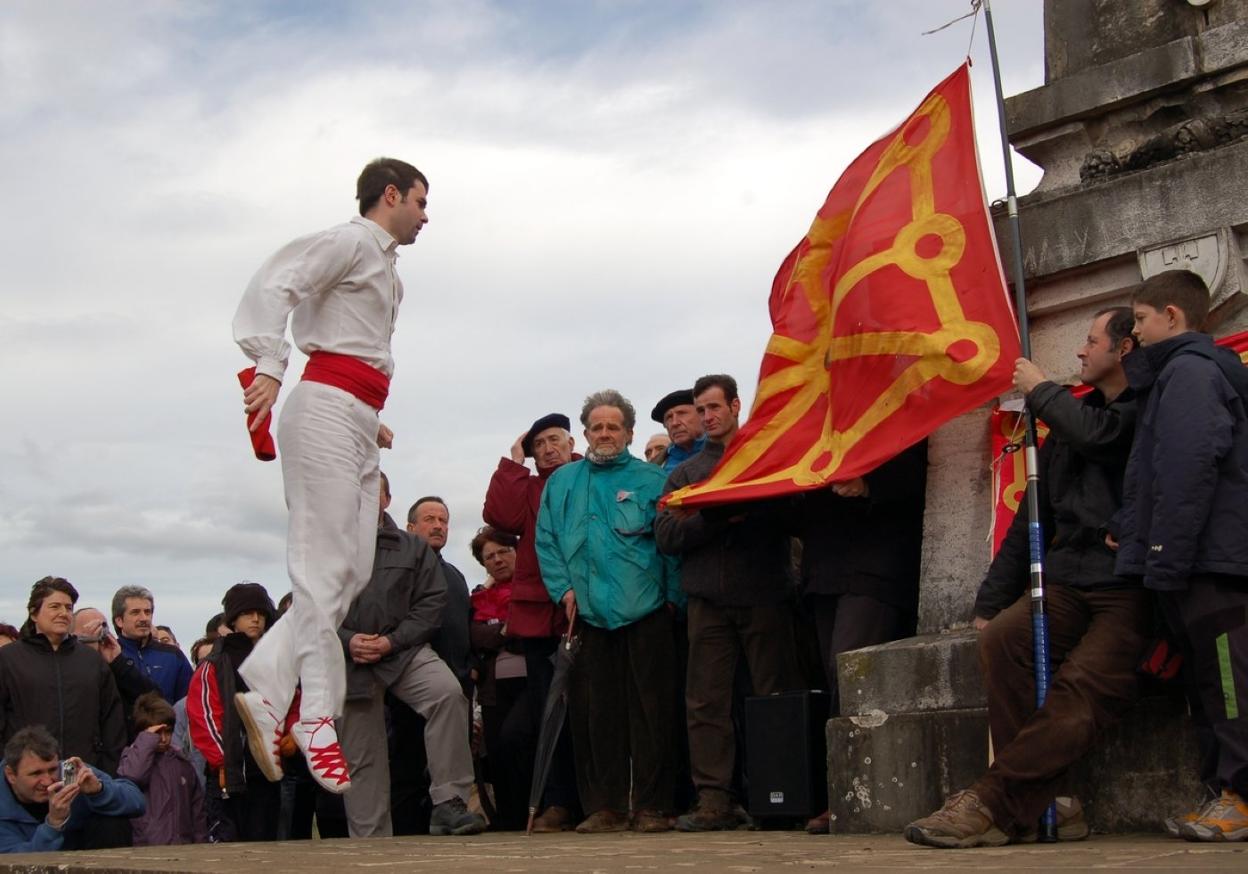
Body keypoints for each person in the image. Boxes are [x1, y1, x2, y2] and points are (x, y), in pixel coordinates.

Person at [905, 307, 1147, 848]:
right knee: (1006, 638)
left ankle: (990, 802)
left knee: (1081, 688)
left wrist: (1041, 391)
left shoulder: (1148, 407)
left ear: (1124, 348)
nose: (1080, 351)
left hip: (1130, 585)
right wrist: (991, 599)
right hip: (1068, 580)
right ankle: (1049, 800)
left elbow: (1103, 438)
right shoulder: (1072, 418)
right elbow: (1033, 519)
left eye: (1090, 341)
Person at [231, 158, 430, 794]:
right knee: (322, 566)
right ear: (390, 194)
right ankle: (316, 717)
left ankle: (266, 690)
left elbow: (355, 349)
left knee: (352, 570)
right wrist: (268, 363)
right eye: (421, 202)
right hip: (322, 409)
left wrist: (368, 418)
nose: (426, 216)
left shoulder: (389, 275)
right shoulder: (349, 241)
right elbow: (277, 283)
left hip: (353, 413)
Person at [1114, 270, 1248, 841]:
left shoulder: (1190, 373)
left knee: (1228, 677)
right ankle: (1224, 793)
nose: (1134, 332)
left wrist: (1163, 558)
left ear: (1173, 316)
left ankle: (1240, 797)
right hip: (1201, 557)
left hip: (1212, 563)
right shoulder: (1176, 375)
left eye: (1141, 319)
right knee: (1208, 682)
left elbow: (1186, 471)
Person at [656, 374, 801, 831]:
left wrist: (744, 508)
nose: (707, 416)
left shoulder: (767, 456)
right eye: (700, 409)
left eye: (713, 407)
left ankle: (783, 795)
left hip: (764, 593)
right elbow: (666, 536)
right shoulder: (685, 473)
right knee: (705, 702)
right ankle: (715, 800)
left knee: (774, 696)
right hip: (706, 602)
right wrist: (716, 518)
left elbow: (792, 517)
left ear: (736, 405)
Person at [536, 389, 681, 833]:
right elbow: (547, 541)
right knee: (595, 714)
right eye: (596, 427)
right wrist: (562, 589)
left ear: (630, 433)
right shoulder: (561, 482)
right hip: (589, 614)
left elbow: (671, 547)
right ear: (585, 432)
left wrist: (675, 600)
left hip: (647, 609)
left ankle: (653, 807)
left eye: (612, 426)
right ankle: (606, 807)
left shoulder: (652, 481)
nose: (604, 434)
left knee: (653, 712)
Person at [338, 490, 484, 838]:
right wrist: (347, 640)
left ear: (386, 498)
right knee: (362, 754)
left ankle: (450, 802)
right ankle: (370, 842)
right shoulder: (324, 545)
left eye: (373, 489)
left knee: (447, 695)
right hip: (347, 658)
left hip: (402, 650)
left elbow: (432, 602)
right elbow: (309, 605)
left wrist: (392, 641)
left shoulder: (412, 547)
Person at [482, 412, 582, 832]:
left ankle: (603, 801)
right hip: (541, 614)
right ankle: (558, 802)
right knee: (548, 711)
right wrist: (513, 462)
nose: (547, 448)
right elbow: (499, 517)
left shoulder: (587, 476)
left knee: (595, 711)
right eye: (538, 444)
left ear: (570, 441)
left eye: (554, 440)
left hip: (594, 608)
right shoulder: (528, 487)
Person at [187, 583, 283, 842]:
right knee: (230, 846)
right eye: (247, 613)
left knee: (268, 845)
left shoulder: (274, 660)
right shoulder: (215, 664)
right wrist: (222, 761)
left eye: (261, 613)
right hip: (229, 773)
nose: (255, 619)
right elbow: (204, 717)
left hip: (268, 769)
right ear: (233, 618)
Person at [0, 579, 126, 776]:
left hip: (82, 775)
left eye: (68, 607)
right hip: (25, 781)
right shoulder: (8, 660)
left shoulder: (92, 661)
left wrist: (107, 771)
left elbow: (112, 722)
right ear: (34, 613)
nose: (63, 613)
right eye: (54, 606)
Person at [468, 526, 533, 830]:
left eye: (503, 552)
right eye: (488, 557)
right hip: (494, 687)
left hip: (532, 681)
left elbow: (529, 632)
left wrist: (500, 633)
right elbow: (476, 636)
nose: (497, 560)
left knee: (517, 737)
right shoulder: (479, 598)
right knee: (497, 751)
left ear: (517, 552)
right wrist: (506, 630)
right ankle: (509, 820)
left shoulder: (535, 588)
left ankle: (538, 810)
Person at [0, 726, 145, 854]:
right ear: (11, 775)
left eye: (52, 769)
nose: (47, 781)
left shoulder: (70, 771)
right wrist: (54, 823)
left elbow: (138, 802)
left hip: (87, 861)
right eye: (36, 773)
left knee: (112, 823)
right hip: (38, 861)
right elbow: (14, 862)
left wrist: (99, 791)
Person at [117, 692, 206, 846]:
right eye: (157, 733)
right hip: (147, 846)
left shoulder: (182, 764)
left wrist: (201, 845)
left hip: (183, 847)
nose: (163, 738)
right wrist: (147, 740)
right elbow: (134, 776)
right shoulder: (131, 759)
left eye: (168, 732)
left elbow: (197, 814)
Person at [407, 497, 473, 696]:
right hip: (411, 684)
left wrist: (473, 665)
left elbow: (467, 624)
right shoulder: (399, 573)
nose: (438, 526)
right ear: (411, 528)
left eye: (443, 521)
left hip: (461, 683)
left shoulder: (456, 576)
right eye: (429, 519)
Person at [73, 607, 161, 742]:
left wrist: (118, 663)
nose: (98, 635)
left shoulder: (117, 666)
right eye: (90, 631)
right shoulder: (65, 666)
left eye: (102, 628)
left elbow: (153, 698)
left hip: (117, 750)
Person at [111, 586, 193, 705]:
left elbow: (188, 702)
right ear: (119, 621)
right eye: (135, 612)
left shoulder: (173, 656)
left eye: (147, 612)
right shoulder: (110, 655)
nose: (144, 618)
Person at [651, 389, 706, 473]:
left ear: (702, 415)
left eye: (682, 413)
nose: (674, 423)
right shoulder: (656, 468)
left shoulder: (728, 451)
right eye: (669, 417)